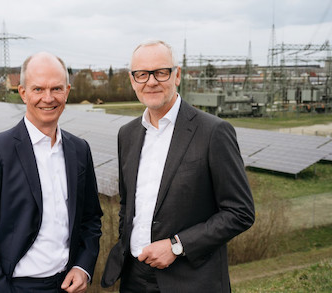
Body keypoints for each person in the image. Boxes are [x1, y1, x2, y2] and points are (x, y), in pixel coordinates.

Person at [101, 40, 255, 292]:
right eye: (142, 74)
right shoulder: (127, 134)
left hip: (190, 280)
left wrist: (176, 245)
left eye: (160, 72)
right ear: (132, 80)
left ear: (177, 75)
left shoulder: (213, 132)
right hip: (133, 277)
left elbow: (240, 212)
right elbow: (128, 204)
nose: (151, 82)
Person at [0, 52, 103, 293]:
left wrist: (83, 266)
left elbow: (91, 219)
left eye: (56, 89)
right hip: (12, 286)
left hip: (64, 286)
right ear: (23, 92)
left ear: (67, 91)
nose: (48, 98)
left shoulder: (79, 150)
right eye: (38, 89)